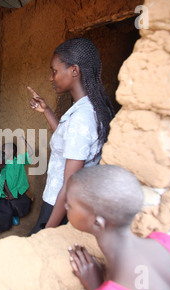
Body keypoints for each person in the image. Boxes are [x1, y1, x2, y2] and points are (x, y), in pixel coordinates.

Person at [66, 165, 170, 290]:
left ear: (98, 223)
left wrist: (95, 288)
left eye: (70, 205)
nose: (66, 207)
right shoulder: (168, 243)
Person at [28, 38, 115, 236]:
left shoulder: (82, 118)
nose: (51, 78)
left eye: (55, 71)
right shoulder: (86, 109)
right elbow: (71, 142)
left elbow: (70, 183)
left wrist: (47, 232)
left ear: (74, 70)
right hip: (67, 201)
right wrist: (46, 111)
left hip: (62, 204)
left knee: (37, 249)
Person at [2, 137, 33, 226]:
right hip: (7, 190)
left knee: (25, 202)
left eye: (4, 151)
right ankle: (12, 216)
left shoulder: (19, 159)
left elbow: (31, 153)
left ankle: (17, 214)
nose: (3, 152)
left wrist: (25, 142)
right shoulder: (3, 162)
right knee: (9, 203)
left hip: (19, 188)